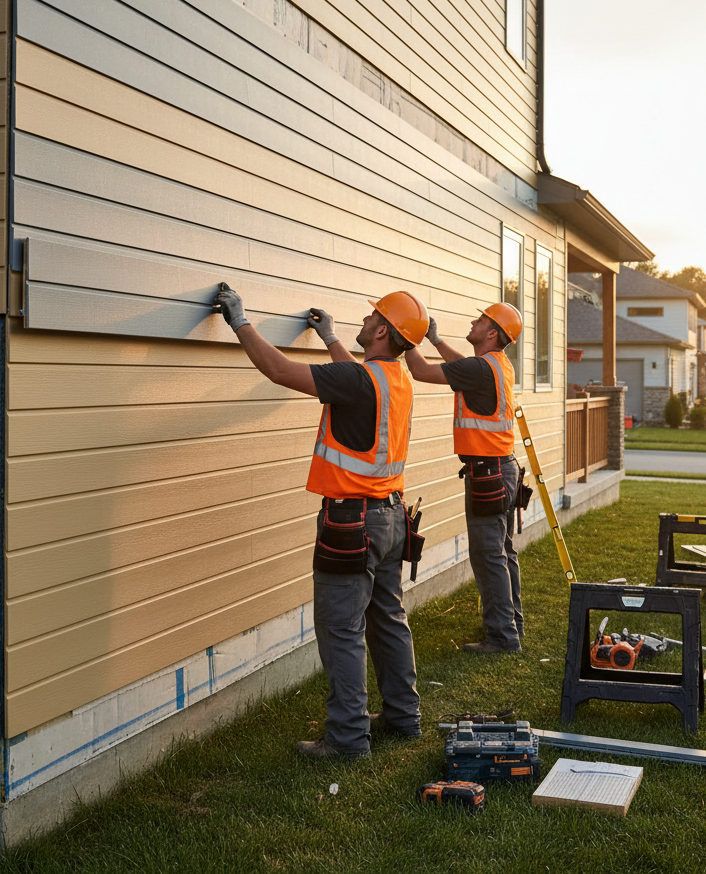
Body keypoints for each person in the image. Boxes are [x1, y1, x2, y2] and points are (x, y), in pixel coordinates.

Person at [214, 284, 429, 759]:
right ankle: (402, 716)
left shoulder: (358, 381)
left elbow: (278, 369)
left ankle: (349, 739)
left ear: (379, 330)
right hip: (392, 519)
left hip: (352, 524)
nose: (367, 317)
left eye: (373, 314)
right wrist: (330, 336)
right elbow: (351, 375)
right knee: (388, 620)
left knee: (342, 630)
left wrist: (238, 319)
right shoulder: (394, 378)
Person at [404, 303, 524, 654]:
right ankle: (511, 623)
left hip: (488, 473)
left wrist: (407, 334)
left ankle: (502, 638)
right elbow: (462, 367)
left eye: (481, 320)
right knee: (502, 552)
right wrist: (437, 339)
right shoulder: (496, 364)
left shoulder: (479, 368)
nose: (473, 320)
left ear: (491, 333)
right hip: (503, 469)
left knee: (489, 556)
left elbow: (422, 372)